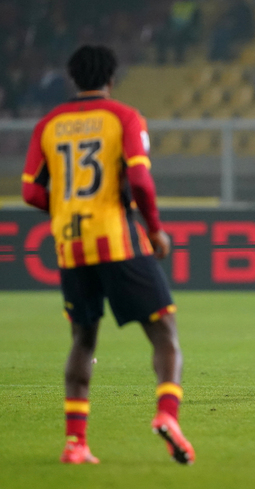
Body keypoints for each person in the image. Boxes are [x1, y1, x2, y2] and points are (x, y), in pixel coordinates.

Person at [21, 45, 195, 464]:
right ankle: (167, 416)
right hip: (116, 240)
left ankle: (75, 444)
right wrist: (154, 230)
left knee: (83, 338)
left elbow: (29, 190)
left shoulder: (48, 124)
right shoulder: (124, 118)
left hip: (70, 244)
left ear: (72, 80)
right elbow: (140, 180)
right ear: (111, 80)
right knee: (164, 331)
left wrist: (64, 209)